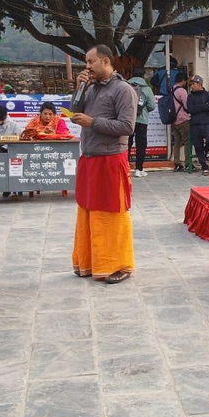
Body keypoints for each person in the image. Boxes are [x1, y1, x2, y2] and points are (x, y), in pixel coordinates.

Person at [71, 44, 137, 284]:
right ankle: (89, 262)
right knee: (87, 209)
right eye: (86, 62)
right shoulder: (89, 88)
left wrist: (93, 122)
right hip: (89, 158)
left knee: (112, 212)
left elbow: (127, 127)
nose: (87, 67)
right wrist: (79, 89)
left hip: (110, 159)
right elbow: (74, 111)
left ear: (106, 62)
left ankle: (119, 264)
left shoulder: (123, 90)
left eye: (91, 62)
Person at [127, 68, 156, 178]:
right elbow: (152, 105)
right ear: (143, 76)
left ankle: (125, 167)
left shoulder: (126, 86)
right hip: (142, 120)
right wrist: (144, 110)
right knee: (141, 145)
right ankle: (139, 169)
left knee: (127, 144)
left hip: (128, 119)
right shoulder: (147, 88)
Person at [186, 75, 209, 176]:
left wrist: (198, 108)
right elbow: (190, 109)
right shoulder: (190, 96)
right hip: (194, 124)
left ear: (199, 84)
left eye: (193, 84)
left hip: (207, 123)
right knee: (197, 146)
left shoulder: (208, 94)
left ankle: (206, 151)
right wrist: (203, 106)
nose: (192, 86)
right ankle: (204, 167)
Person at [170, 73, 190, 172]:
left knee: (177, 142)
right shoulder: (182, 91)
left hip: (173, 120)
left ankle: (177, 163)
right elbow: (186, 106)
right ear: (182, 80)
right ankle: (187, 163)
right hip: (183, 119)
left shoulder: (171, 89)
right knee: (187, 142)